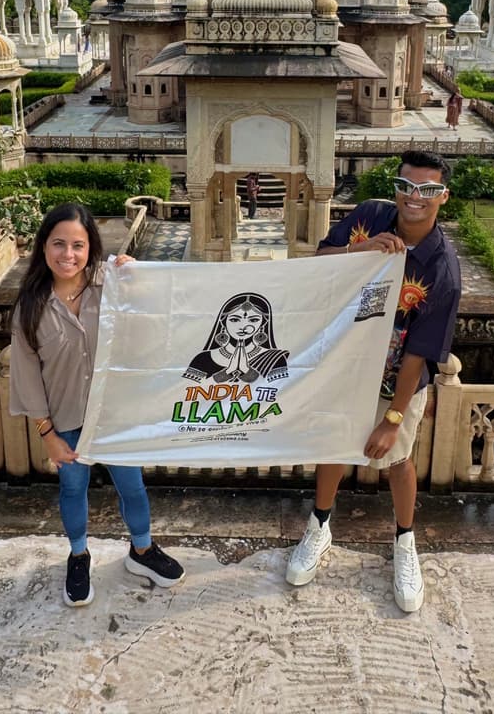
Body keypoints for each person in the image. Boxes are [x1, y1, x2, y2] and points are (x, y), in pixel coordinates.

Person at [286, 150, 461, 613]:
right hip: (345, 363)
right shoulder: (369, 218)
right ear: (397, 188)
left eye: (427, 190)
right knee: (334, 446)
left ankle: (405, 543)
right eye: (407, 187)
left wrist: (392, 417)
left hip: (393, 379)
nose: (414, 198)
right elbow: (319, 261)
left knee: (399, 458)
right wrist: (357, 251)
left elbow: (419, 354)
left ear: (443, 196)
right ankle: (319, 527)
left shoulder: (440, 269)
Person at [10, 202, 185, 607]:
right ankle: (78, 554)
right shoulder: (31, 307)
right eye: (59, 244)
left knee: (132, 486)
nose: (68, 255)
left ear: (91, 248)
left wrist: (137, 275)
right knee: (73, 489)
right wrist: (47, 434)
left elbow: (158, 315)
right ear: (43, 247)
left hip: (115, 415)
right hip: (66, 420)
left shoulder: (111, 285)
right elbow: (27, 377)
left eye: (78, 245)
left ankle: (142, 551)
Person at [183, 292, 289, 384]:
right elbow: (185, 392)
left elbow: (282, 391)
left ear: (263, 324)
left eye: (253, 320)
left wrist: (246, 370)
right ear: (223, 321)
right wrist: (227, 372)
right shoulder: (203, 359)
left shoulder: (275, 359)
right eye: (234, 320)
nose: (243, 326)